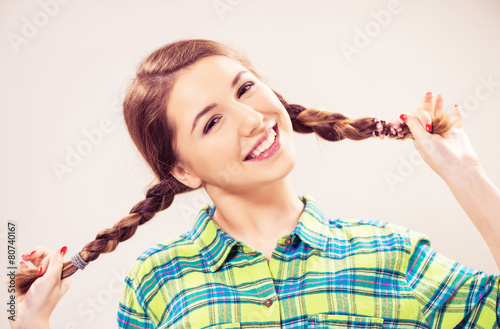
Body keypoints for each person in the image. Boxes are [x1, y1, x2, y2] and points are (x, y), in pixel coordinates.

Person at [10, 39, 500, 328]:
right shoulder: (156, 284)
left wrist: (466, 174)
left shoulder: (389, 253)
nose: (251, 119)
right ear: (182, 170)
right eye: (211, 122)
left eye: (245, 88)